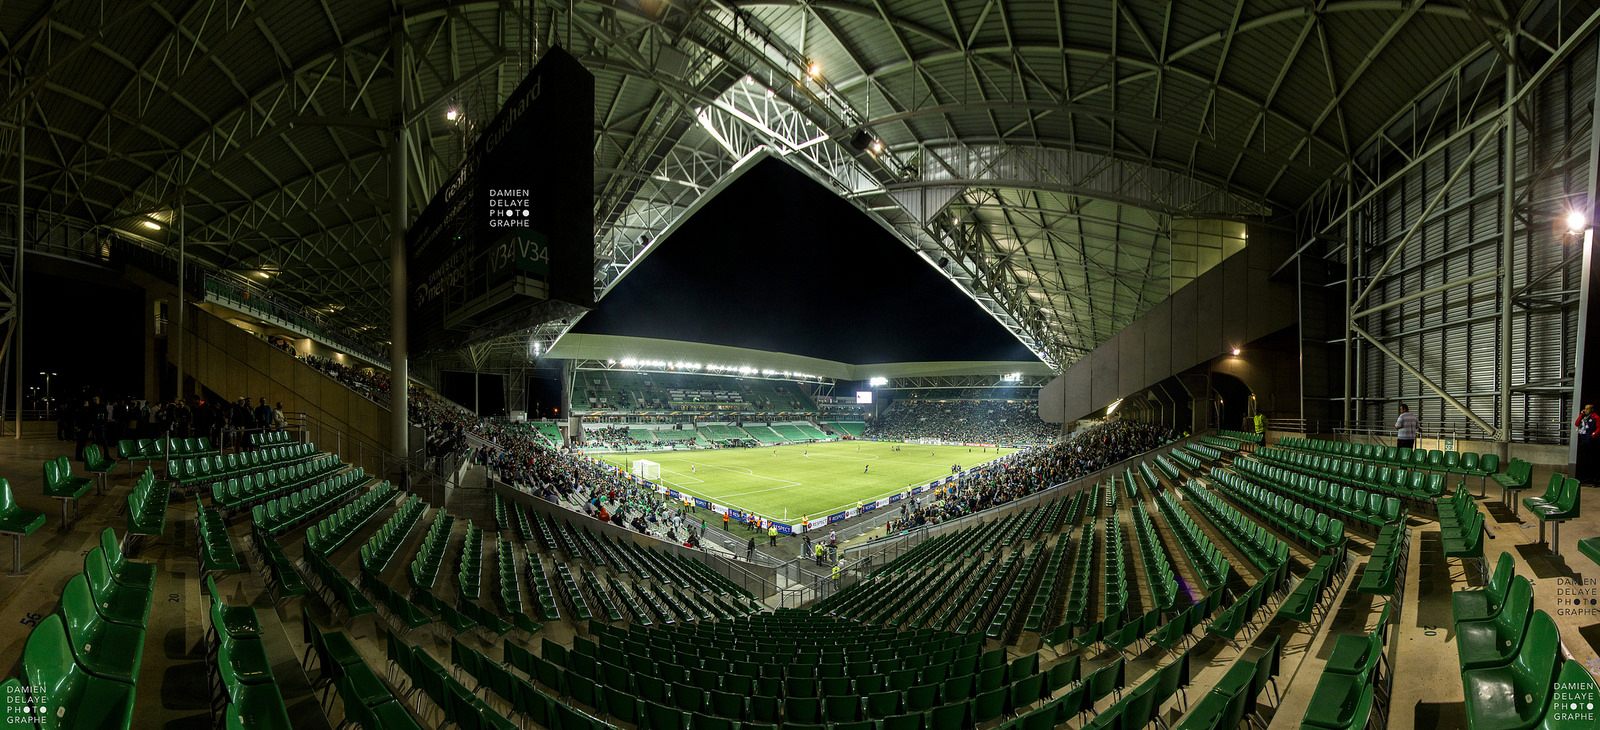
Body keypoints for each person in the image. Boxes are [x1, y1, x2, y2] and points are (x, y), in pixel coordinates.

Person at [1577, 404, 1600, 482]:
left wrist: (1593, 435)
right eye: (1585, 408)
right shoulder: (1584, 417)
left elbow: (1599, 428)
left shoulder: (1595, 417)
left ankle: (1594, 479)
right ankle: (1585, 478)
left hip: (1592, 442)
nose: (1585, 410)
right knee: (1584, 460)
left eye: (1587, 409)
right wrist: (1581, 415)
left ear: (1591, 409)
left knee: (1592, 460)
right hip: (1584, 441)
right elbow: (1576, 424)